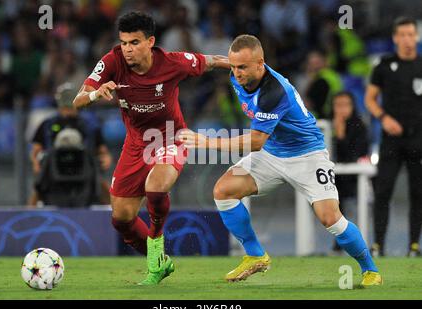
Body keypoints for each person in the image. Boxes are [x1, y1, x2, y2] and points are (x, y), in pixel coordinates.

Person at [179, 34, 382, 286]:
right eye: (233, 66)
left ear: (260, 63)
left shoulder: (274, 92)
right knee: (223, 191)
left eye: (242, 67)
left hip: (307, 155)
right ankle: (255, 256)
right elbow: (218, 61)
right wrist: (194, 63)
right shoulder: (236, 72)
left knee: (330, 218)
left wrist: (207, 142)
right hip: (272, 153)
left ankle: (370, 269)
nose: (237, 73)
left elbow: (255, 142)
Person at [72, 11, 229, 285]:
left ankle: (156, 242)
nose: (128, 49)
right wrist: (97, 93)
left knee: (156, 186)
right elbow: (77, 100)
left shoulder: (172, 62)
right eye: (123, 43)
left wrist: (243, 64)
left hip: (171, 137)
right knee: (121, 218)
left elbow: (211, 62)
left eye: (134, 42)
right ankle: (160, 262)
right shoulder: (112, 61)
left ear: (150, 41)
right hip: (135, 144)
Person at [365, 17, 422, 257]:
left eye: (411, 34)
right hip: (391, 140)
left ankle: (414, 246)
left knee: (418, 193)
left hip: (418, 139)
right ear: (395, 38)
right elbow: (369, 99)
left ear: (417, 37)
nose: (408, 39)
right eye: (403, 35)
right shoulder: (384, 65)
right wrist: (384, 118)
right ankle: (378, 245)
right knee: (382, 191)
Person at [29, 82, 113, 206]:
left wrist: (106, 159)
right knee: (38, 187)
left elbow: (103, 151)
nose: (67, 109)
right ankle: (28, 217)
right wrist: (36, 164)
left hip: (85, 169)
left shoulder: (90, 125)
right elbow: (35, 151)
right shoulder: (47, 125)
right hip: (52, 169)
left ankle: (117, 216)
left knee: (103, 185)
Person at [331, 91, 369, 253]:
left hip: (353, 176)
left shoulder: (359, 125)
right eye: (338, 105)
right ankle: (339, 238)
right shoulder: (325, 124)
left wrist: (340, 133)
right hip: (332, 175)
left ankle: (350, 240)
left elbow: (352, 155)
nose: (342, 110)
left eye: (345, 105)